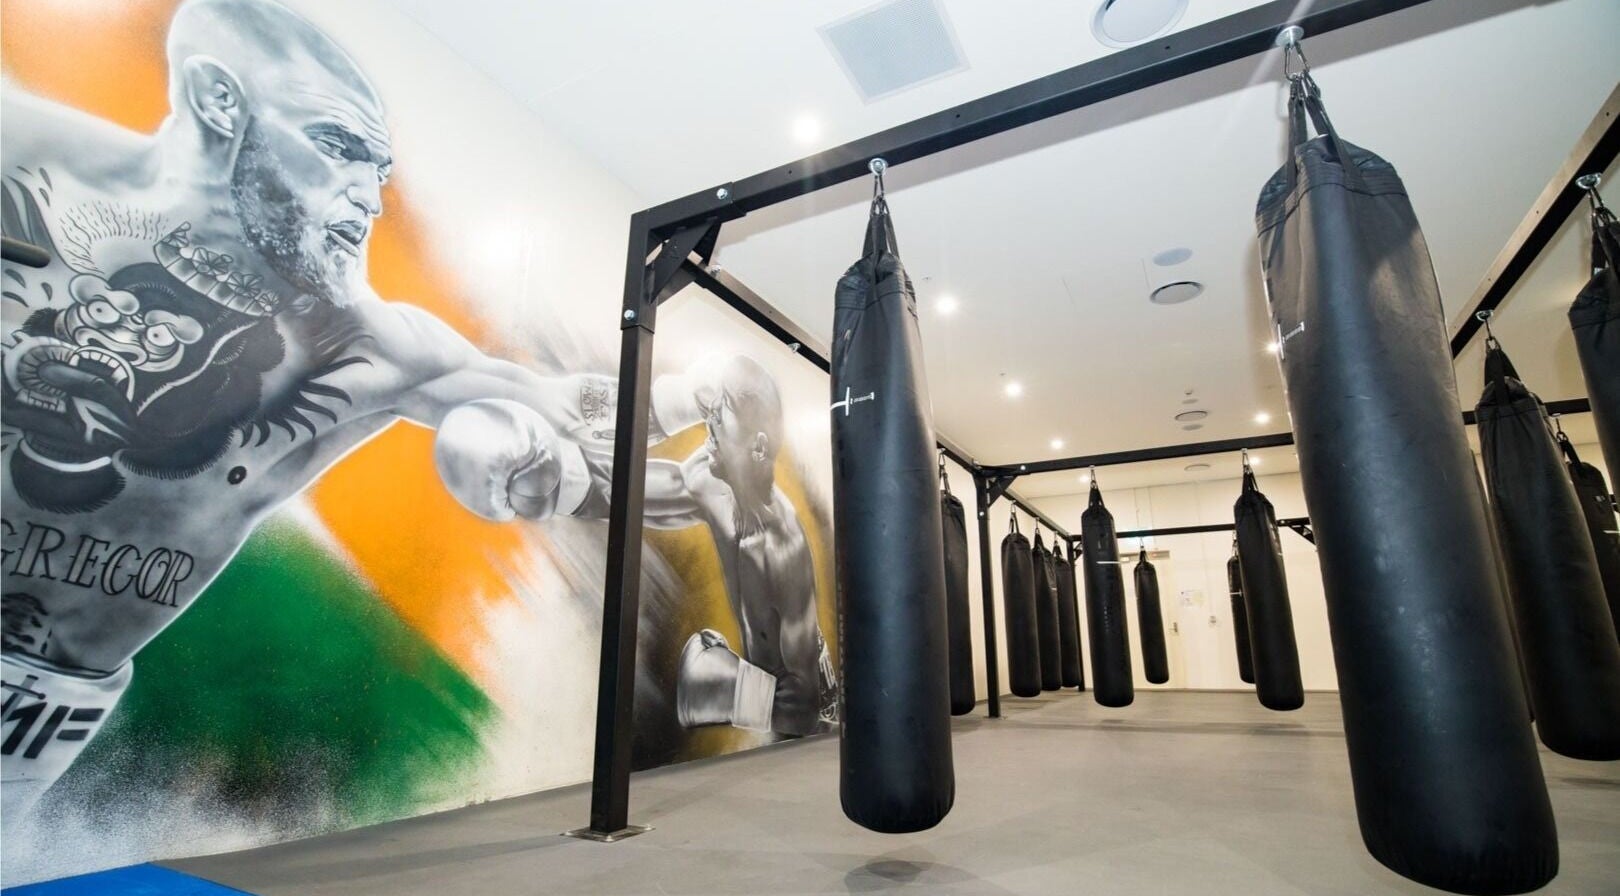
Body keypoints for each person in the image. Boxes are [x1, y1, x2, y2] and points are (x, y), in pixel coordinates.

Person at [0, 0, 696, 825]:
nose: (368, 197)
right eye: (336, 148)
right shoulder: (27, 156)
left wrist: (706, 409)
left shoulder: (376, 347)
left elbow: (577, 411)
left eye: (378, 168)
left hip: (36, 719)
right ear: (220, 103)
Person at [437, 356, 836, 737]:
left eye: (724, 406)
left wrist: (724, 688)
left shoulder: (783, 551)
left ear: (759, 446)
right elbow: (628, 492)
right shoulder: (707, 478)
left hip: (812, 719)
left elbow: (801, 710)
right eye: (713, 403)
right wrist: (556, 477)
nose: (710, 416)